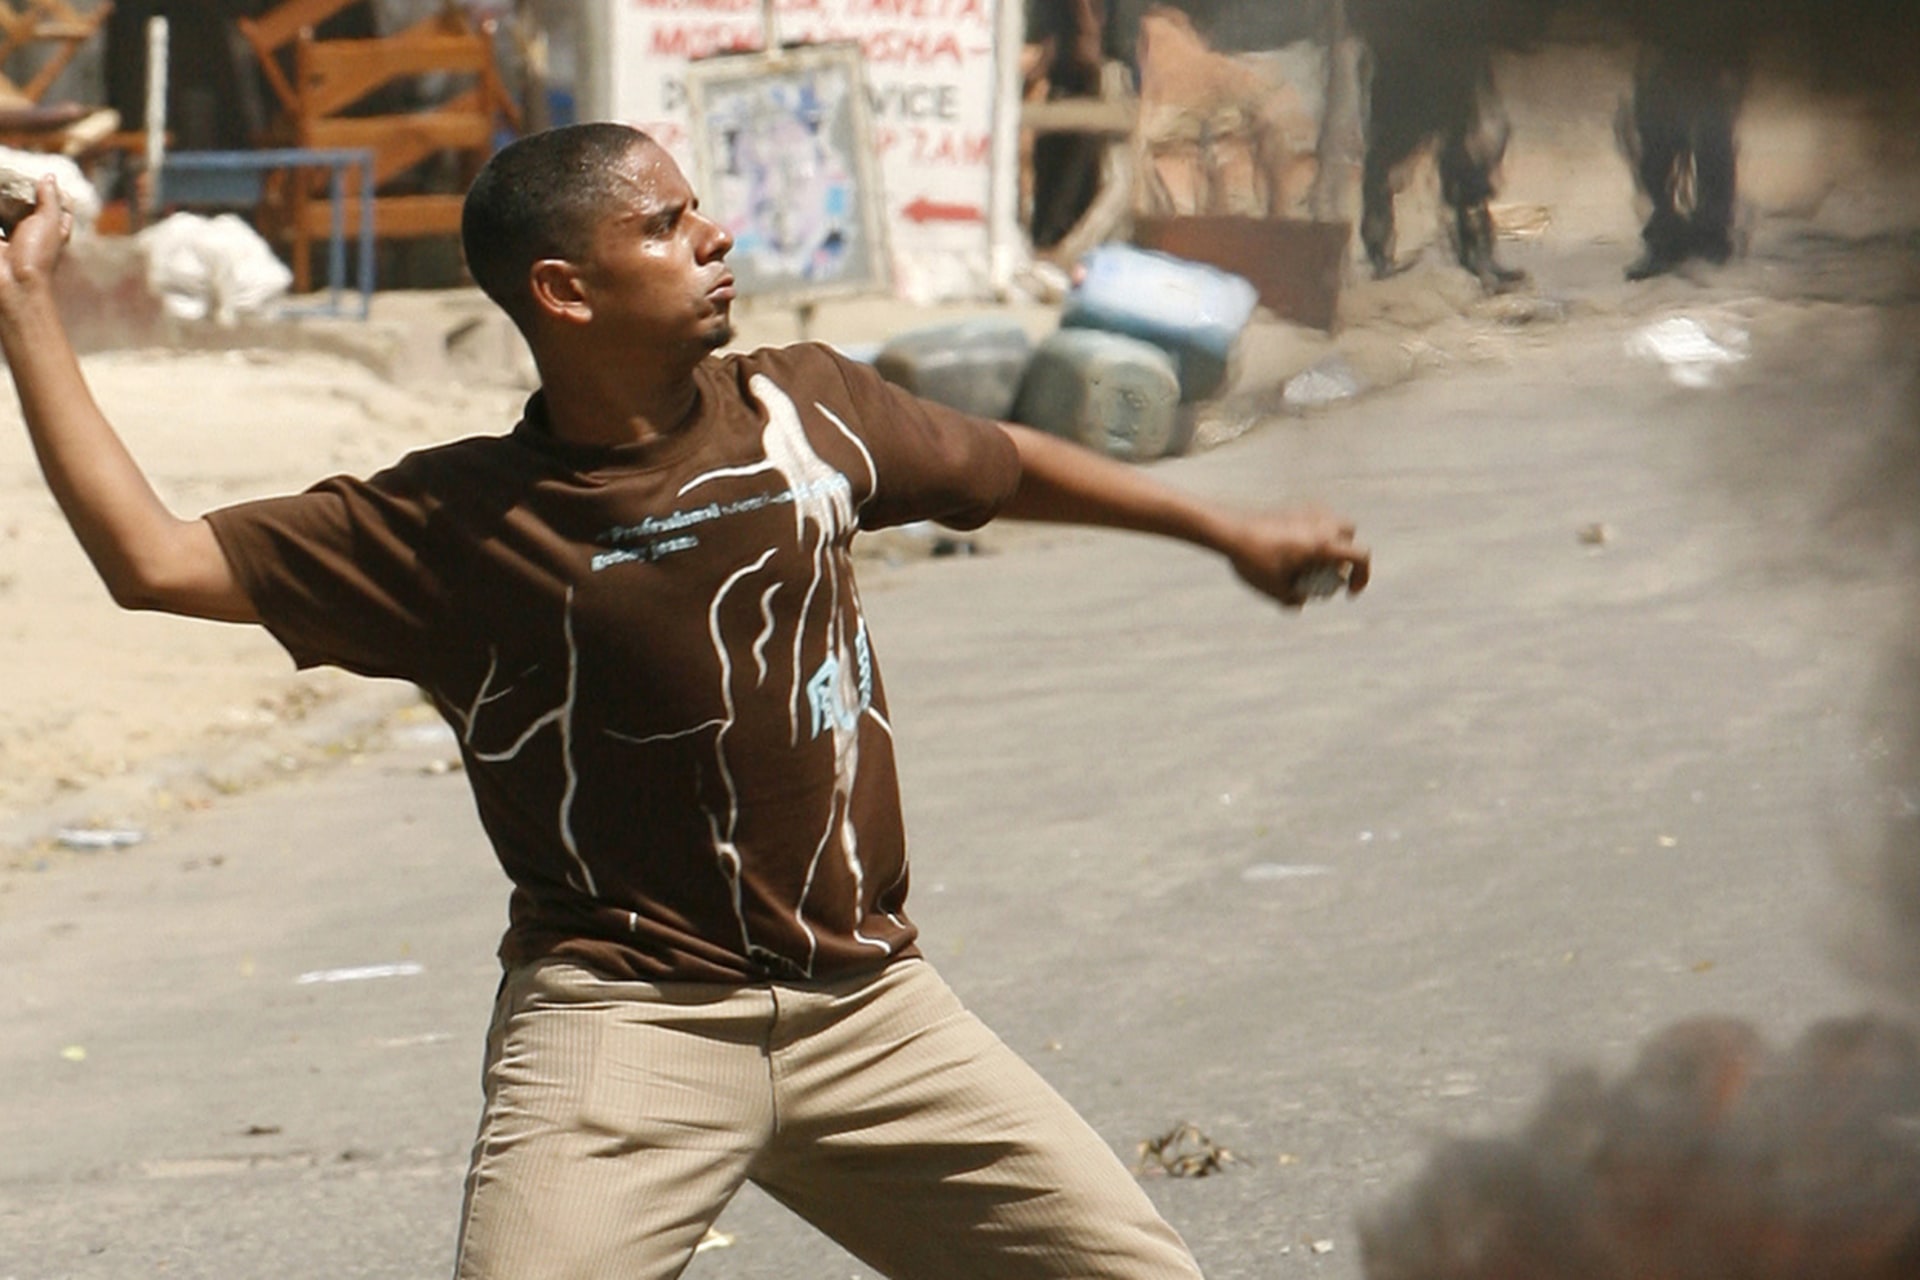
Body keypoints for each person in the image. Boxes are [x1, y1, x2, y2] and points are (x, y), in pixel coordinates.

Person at [0, 122, 1369, 1279]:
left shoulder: (808, 411)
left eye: (699, 214)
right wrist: (25, 309)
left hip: (874, 1012)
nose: (713, 238)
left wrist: (1223, 533)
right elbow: (156, 559)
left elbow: (998, 460)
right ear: (567, 291)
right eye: (666, 225)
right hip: (625, 1027)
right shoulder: (454, 522)